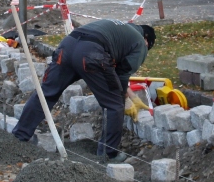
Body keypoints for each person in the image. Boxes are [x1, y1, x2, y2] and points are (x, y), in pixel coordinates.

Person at [11, 19, 156, 162]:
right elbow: (122, 74)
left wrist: (131, 95)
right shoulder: (139, 42)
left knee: (46, 94)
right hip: (91, 55)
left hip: (66, 48)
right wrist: (124, 99)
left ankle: (19, 136)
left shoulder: (119, 29)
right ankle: (108, 154)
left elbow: (114, 73)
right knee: (114, 106)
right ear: (146, 39)